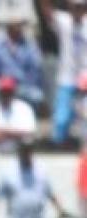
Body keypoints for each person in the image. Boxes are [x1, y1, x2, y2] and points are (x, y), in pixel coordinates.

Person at [38, 0, 87, 145]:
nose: (77, 10)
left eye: (81, 7)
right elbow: (47, 12)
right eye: (74, 7)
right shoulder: (63, 20)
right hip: (67, 78)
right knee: (61, 118)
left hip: (85, 78)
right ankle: (58, 144)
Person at [0, 12, 44, 106]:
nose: (18, 28)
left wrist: (30, 86)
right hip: (0, 88)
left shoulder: (29, 44)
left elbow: (35, 68)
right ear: (8, 27)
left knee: (36, 96)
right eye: (15, 25)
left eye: (20, 25)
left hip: (22, 88)